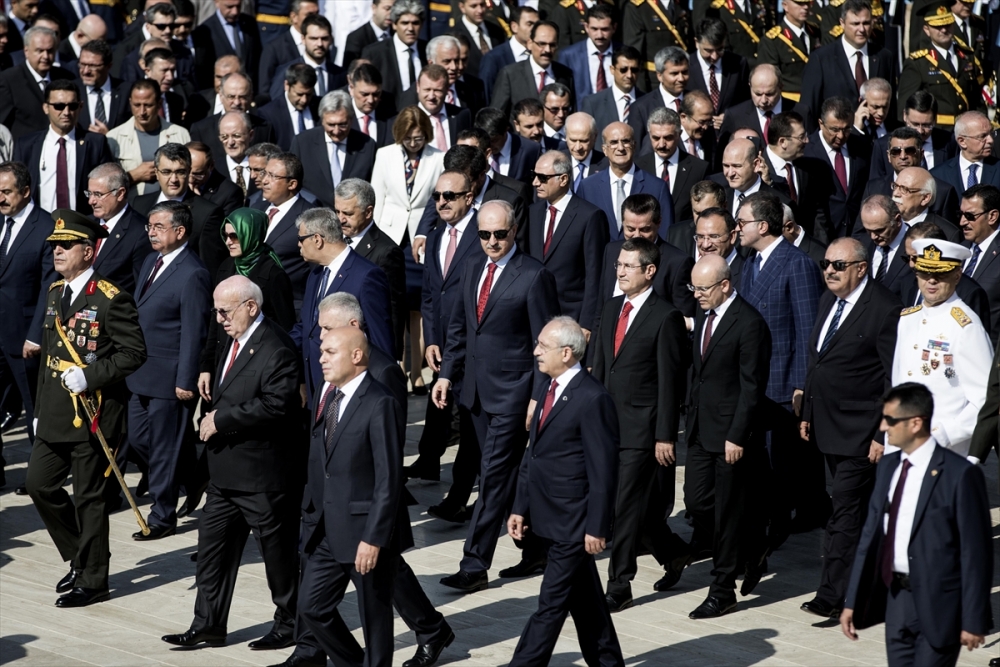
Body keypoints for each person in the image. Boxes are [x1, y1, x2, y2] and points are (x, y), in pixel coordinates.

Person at [162, 275, 301, 650]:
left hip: (262, 476)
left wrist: (221, 419)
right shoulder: (233, 337)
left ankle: (290, 623)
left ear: (250, 307)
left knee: (278, 558)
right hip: (225, 475)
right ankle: (208, 623)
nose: (219, 318)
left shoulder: (276, 347)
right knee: (212, 552)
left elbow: (277, 404)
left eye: (224, 311)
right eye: (216, 311)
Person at [433, 199, 560, 592]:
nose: (491, 241)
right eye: (484, 234)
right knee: (502, 477)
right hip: (474, 392)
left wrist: (539, 397)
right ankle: (537, 547)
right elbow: (459, 327)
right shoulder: (472, 266)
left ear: (514, 231)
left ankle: (474, 564)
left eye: (499, 234)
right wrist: (445, 375)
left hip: (514, 394)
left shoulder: (534, 276)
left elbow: (547, 344)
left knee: (491, 478)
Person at [26, 209, 146, 607]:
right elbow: (49, 359)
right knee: (39, 484)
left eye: (66, 246)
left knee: (90, 498)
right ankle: (82, 555)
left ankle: (94, 579)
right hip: (58, 411)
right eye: (55, 246)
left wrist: (92, 376)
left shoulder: (111, 298)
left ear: (89, 251)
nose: (57, 252)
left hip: (94, 413)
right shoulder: (54, 292)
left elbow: (134, 353)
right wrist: (41, 408)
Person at [840, 382, 993, 666]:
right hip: (896, 601)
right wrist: (852, 601)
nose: (883, 427)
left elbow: (975, 553)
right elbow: (870, 536)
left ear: (915, 423)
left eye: (890, 420)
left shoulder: (960, 475)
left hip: (940, 606)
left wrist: (974, 618)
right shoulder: (888, 467)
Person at [507, 316, 624, 667]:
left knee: (550, 605)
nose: (535, 351)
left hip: (574, 522)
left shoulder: (593, 399)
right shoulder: (547, 386)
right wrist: (519, 507)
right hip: (546, 516)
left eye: (543, 346)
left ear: (568, 352)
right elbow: (534, 454)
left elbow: (603, 471)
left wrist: (597, 526)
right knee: (587, 602)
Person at [799, 238, 900, 620]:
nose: (829, 271)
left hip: (863, 430)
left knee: (844, 511)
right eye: (826, 264)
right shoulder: (830, 300)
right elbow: (819, 362)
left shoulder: (885, 308)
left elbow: (894, 377)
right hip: (829, 425)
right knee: (853, 513)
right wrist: (808, 408)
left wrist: (883, 432)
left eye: (838, 265)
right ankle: (862, 589)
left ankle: (836, 594)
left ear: (861, 267)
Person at [592, 236, 691, 612]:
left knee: (624, 506)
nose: (620, 271)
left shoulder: (665, 316)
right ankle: (673, 552)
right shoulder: (610, 306)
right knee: (636, 509)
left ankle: (619, 583)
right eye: (618, 265)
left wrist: (665, 434)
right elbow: (600, 369)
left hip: (641, 428)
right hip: (607, 425)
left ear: (649, 271)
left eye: (628, 266)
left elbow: (670, 382)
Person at [298, 326, 404, 667]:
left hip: (365, 534)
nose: (321, 359)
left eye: (330, 352)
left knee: (374, 619)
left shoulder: (379, 402)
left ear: (356, 355)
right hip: (328, 529)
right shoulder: (328, 395)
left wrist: (373, 539)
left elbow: (389, 479)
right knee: (311, 607)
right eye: (321, 351)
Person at [684, 253, 771, 619]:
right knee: (697, 501)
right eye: (693, 288)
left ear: (725, 285)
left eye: (703, 289)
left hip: (730, 436)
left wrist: (738, 435)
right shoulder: (705, 313)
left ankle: (723, 590)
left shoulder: (749, 323)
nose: (697, 295)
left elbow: (752, 388)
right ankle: (752, 547)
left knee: (728, 511)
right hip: (701, 430)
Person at [738, 191, 824, 551]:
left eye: (742, 222)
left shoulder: (796, 263)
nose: (737, 228)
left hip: (781, 386)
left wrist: (802, 387)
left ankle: (775, 531)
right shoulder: (749, 263)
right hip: (752, 383)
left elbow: (808, 330)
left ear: (762, 225)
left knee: (779, 468)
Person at [125, 200, 210, 540]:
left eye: (159, 227)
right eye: (149, 226)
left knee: (163, 448)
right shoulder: (150, 261)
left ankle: (162, 515)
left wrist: (186, 379)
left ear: (180, 231)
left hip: (171, 378)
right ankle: (190, 475)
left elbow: (194, 331)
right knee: (138, 440)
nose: (151, 232)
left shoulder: (193, 272)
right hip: (141, 373)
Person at [408, 171, 483, 488]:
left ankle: (461, 491)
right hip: (443, 342)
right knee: (440, 404)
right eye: (437, 196)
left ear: (469, 196)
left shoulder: (486, 233)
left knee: (469, 417)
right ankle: (430, 462)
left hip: (473, 341)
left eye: (449, 196)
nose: (441, 202)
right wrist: (431, 340)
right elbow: (429, 294)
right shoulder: (436, 235)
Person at [890, 238, 991, 457]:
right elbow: (898, 381)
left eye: (941, 274)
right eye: (925, 273)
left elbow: (985, 399)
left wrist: (944, 434)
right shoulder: (908, 318)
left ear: (957, 275)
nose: (931, 281)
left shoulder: (966, 326)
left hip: (942, 450)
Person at [291, 207, 394, 403]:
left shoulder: (366, 276)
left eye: (301, 238)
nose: (298, 244)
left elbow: (380, 341)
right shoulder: (315, 274)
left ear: (317, 239)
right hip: (317, 384)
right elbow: (307, 327)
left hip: (350, 389)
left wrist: (380, 397)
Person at [0, 161, 55, 489]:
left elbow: (49, 288)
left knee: (35, 408)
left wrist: (36, 335)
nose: (0, 198)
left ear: (25, 191)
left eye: (6, 192)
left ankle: (39, 474)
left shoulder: (46, 226)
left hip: (25, 338)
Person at [527, 150, 608, 336]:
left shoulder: (590, 216)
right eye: (534, 175)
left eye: (542, 177)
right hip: (536, 315)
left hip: (572, 317)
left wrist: (587, 323)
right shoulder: (533, 213)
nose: (535, 182)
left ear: (563, 179)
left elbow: (595, 275)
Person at [12, 80, 112, 217]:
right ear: (46, 108)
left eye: (72, 106)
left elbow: (107, 187)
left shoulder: (96, 143)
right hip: (39, 227)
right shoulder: (26, 145)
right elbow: (16, 189)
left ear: (80, 107)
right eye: (59, 106)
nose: (66, 112)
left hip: (83, 227)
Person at [130, 142, 229, 276]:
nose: (174, 179)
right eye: (166, 172)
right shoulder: (139, 204)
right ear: (156, 173)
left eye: (180, 172)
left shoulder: (207, 213)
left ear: (189, 172)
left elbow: (210, 268)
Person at [335, 178, 406, 362]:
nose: (340, 219)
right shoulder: (333, 241)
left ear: (368, 212)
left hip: (365, 348)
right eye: (337, 211)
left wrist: (392, 357)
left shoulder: (386, 251)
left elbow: (394, 308)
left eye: (348, 213)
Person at [598, 193, 697, 322]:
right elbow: (600, 309)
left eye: (645, 230)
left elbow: (682, 319)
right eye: (630, 229)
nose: (637, 236)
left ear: (659, 223)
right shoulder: (611, 251)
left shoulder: (677, 263)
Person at [796, 0, 896, 123]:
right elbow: (808, 109)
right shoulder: (821, 59)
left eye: (866, 23)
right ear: (842, 23)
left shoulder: (884, 56)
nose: (861, 29)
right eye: (855, 23)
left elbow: (891, 107)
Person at [576, 121, 674, 241]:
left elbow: (666, 234)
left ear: (634, 145)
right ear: (604, 149)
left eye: (626, 141)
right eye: (613, 142)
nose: (620, 148)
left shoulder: (657, 187)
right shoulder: (587, 187)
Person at [898, 2, 984, 129]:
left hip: (967, 132)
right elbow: (904, 109)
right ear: (927, 30)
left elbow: (977, 100)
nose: (944, 29)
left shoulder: (967, 57)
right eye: (938, 26)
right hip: (936, 133)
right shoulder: (917, 63)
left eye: (948, 24)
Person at [290, 90, 377, 209]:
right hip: (312, 218)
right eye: (331, 124)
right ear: (322, 120)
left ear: (351, 120)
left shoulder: (367, 145)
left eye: (342, 124)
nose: (336, 131)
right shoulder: (303, 143)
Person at [860, 127, 961, 229]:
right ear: (888, 156)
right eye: (896, 151)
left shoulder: (943, 191)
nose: (903, 156)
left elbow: (949, 233)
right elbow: (861, 231)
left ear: (921, 154)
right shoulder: (873, 188)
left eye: (910, 151)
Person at [802, 96, 872, 241]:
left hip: (857, 233)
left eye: (847, 129)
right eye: (835, 129)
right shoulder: (806, 153)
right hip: (821, 237)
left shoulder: (862, 147)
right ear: (821, 124)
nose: (841, 136)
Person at [106, 80, 192, 198]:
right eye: (137, 105)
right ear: (130, 103)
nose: (142, 112)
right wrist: (133, 176)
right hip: (133, 207)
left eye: (148, 105)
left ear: (159, 103)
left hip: (172, 206)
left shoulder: (180, 134)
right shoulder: (114, 137)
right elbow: (106, 184)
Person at [255, 151, 315, 302]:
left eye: (273, 176)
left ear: (292, 184)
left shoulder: (308, 217)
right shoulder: (256, 209)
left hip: (289, 307)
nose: (264, 181)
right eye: (265, 174)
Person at [0, 26, 76, 139]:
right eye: (40, 51)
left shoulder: (66, 77)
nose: (45, 56)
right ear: (26, 51)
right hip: (26, 152)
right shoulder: (8, 80)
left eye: (50, 51)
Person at [636, 107, 708, 224]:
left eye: (668, 138)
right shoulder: (638, 167)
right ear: (649, 135)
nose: (661, 144)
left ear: (679, 134)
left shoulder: (698, 169)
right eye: (656, 138)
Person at [490, 20, 575, 118]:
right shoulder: (510, 74)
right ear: (530, 43)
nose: (547, 50)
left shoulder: (565, 74)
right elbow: (496, 116)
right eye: (542, 44)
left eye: (552, 45)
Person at [360, 0, 427, 114]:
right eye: (405, 23)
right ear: (394, 24)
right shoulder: (374, 53)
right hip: (387, 118)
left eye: (415, 23)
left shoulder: (428, 50)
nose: (410, 28)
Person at [265, 14, 345, 102]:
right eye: (313, 39)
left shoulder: (340, 74)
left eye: (324, 39)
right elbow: (276, 104)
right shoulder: (286, 72)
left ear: (330, 39)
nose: (319, 44)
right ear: (303, 39)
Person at [756, 0, 822, 101]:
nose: (805, 7)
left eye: (808, 3)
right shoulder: (772, 40)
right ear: (785, 6)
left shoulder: (815, 32)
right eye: (799, 4)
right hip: (791, 103)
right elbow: (770, 80)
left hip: (817, 98)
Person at [958, 184, 1000, 343]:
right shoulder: (958, 250)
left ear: (992, 216)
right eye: (960, 214)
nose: (962, 222)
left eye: (970, 216)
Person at [191, 0, 262, 92]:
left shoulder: (250, 23)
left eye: (238, 6)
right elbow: (204, 72)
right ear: (216, 2)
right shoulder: (204, 32)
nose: (235, 12)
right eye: (229, 7)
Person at [555, 3, 615, 108]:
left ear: (614, 28)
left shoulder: (622, 53)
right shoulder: (569, 56)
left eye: (604, 29)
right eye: (594, 29)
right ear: (586, 27)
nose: (599, 35)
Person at [257, 0, 320, 98]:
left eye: (317, 14)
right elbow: (265, 89)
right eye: (309, 15)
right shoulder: (274, 48)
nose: (315, 19)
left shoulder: (320, 44)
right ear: (294, 17)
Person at [478, 4, 538, 101]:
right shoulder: (494, 58)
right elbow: (486, 93)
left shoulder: (541, 54)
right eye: (529, 24)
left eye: (537, 25)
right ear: (514, 27)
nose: (535, 29)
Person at [930, 110, 1000, 193]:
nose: (990, 140)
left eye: (991, 133)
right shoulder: (938, 175)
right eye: (983, 136)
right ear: (962, 141)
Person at [858, 195, 911, 299]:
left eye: (879, 230)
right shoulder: (863, 242)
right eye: (868, 230)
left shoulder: (914, 248)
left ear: (898, 220)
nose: (873, 236)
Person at [256, 64, 317, 153]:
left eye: (309, 94)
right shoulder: (269, 114)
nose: (304, 100)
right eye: (299, 94)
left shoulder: (320, 107)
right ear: (287, 85)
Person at [75, 39, 131, 134]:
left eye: (93, 66)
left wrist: (109, 136)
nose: (85, 71)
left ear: (108, 66)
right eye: (82, 64)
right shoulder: (71, 90)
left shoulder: (127, 91)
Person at [187, 140, 245, 216]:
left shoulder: (230, 193)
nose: (190, 179)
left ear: (211, 166)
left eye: (198, 174)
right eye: (184, 172)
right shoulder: (174, 183)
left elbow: (221, 226)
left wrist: (199, 203)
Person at [342, 0, 392, 68]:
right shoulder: (356, 38)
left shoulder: (397, 34)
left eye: (394, 9)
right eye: (387, 9)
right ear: (374, 8)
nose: (391, 13)